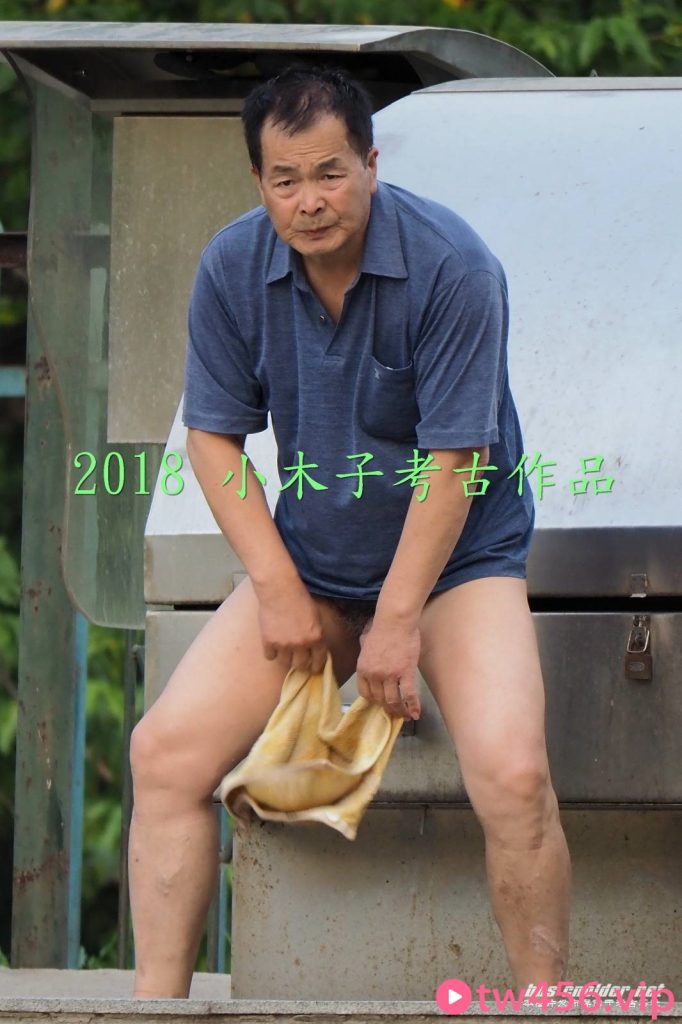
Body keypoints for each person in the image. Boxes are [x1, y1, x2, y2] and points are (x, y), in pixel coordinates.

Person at [128, 64, 571, 999]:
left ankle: (546, 1007)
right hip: (315, 565)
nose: (310, 201)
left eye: (330, 173)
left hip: (459, 566)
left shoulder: (454, 266)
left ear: (371, 164)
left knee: (514, 774)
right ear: (259, 182)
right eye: (285, 179)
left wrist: (398, 621)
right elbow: (212, 439)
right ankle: (150, 1014)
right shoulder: (232, 266)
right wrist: (279, 589)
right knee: (163, 756)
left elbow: (456, 460)